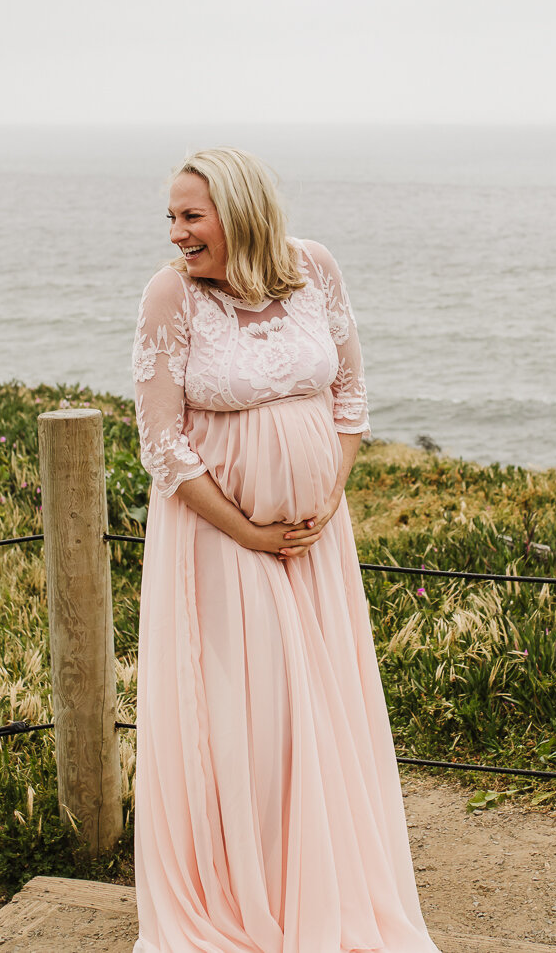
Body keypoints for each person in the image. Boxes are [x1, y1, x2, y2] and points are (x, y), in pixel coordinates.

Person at [130, 147, 441, 952]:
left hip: (316, 546)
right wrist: (251, 531)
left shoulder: (315, 269)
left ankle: (325, 891)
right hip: (220, 546)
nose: (176, 234)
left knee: (319, 717)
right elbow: (160, 442)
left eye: (190, 216)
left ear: (239, 211)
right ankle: (248, 898)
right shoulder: (172, 297)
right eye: (171, 216)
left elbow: (351, 394)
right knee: (252, 722)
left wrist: (327, 496)